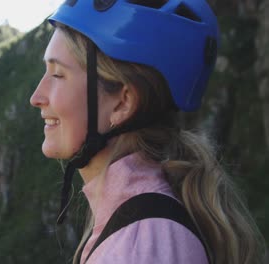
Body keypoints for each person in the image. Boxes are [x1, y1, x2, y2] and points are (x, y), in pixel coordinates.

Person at [29, 0, 266, 263]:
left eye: (58, 75)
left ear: (123, 102)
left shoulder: (138, 247)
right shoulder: (141, 224)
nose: (36, 97)